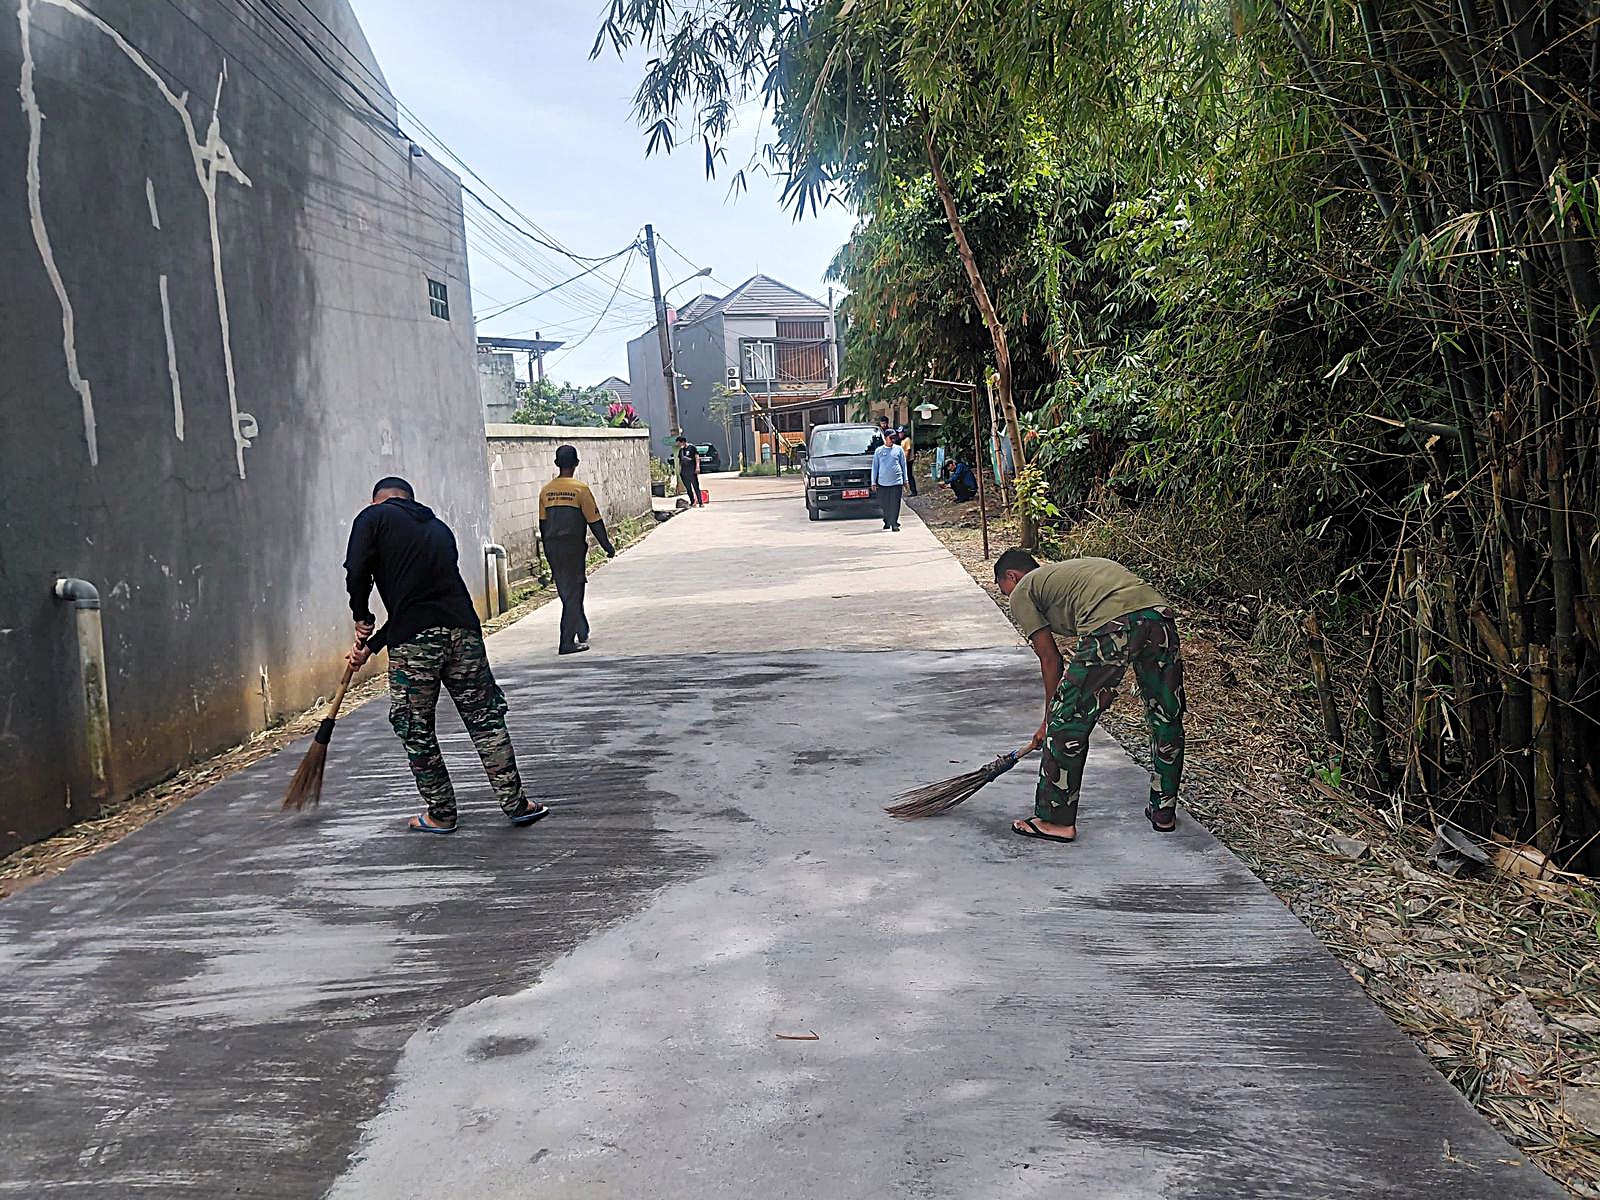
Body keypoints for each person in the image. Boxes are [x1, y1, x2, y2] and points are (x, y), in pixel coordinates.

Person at [344, 476, 548, 834]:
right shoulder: (437, 528)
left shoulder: (371, 518)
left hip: (415, 644)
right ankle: (516, 803)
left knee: (414, 725)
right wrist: (372, 646)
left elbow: (356, 570)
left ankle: (441, 812)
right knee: (485, 718)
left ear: (377, 501)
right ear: (410, 500)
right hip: (463, 632)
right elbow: (421, 605)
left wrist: (361, 616)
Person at [994, 549, 1186, 845]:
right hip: (1159, 617)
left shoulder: (1024, 589)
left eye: (1002, 589)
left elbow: (1050, 659)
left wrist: (1050, 718)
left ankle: (1055, 820)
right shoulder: (1070, 575)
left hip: (1112, 624)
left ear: (1012, 577)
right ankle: (1164, 812)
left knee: (1065, 721)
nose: (1008, 597)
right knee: (1166, 715)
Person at [539, 444, 616, 656]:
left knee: (567, 590)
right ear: (576, 464)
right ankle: (566, 642)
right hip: (572, 548)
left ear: (556, 464)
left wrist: (547, 550)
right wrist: (607, 546)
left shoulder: (546, 491)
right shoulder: (580, 490)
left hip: (553, 548)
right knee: (575, 591)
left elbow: (543, 524)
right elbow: (595, 521)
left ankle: (580, 628)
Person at [872, 429, 908, 531]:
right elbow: (875, 467)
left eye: (894, 438)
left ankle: (894, 523)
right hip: (883, 482)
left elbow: (903, 465)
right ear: (885, 438)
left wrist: (905, 480)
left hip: (896, 481)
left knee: (895, 503)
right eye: (890, 438)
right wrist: (873, 482)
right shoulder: (879, 451)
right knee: (884, 504)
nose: (892, 440)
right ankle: (887, 520)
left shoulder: (899, 449)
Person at [675, 436, 703, 507]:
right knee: (688, 488)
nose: (678, 444)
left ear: (683, 442)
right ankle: (692, 501)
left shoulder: (692, 447)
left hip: (692, 470)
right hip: (684, 472)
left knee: (696, 487)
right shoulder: (681, 451)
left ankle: (700, 502)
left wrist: (697, 467)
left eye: (679, 443)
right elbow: (680, 461)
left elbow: (697, 457)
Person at [900, 427, 919, 497]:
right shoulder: (902, 440)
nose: (900, 434)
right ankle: (909, 490)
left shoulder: (907, 440)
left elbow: (908, 451)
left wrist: (905, 460)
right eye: (899, 433)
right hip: (904, 460)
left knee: (909, 476)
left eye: (901, 433)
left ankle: (913, 491)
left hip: (908, 460)